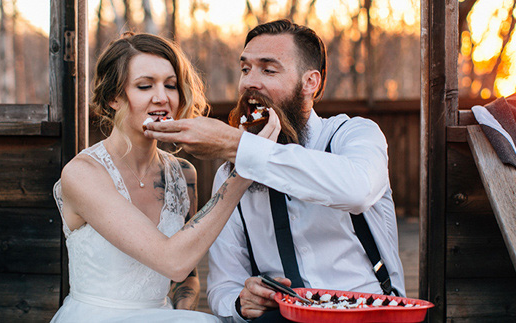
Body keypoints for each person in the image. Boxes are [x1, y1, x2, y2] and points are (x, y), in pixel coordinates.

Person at [145, 19, 405, 322]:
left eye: (268, 70)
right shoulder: (231, 172)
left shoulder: (355, 134)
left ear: (311, 83)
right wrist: (241, 302)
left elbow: (356, 190)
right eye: (245, 69)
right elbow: (223, 287)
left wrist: (240, 146)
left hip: (372, 315)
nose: (249, 82)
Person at [51, 33, 281, 322]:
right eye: (145, 86)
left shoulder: (182, 174)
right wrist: (244, 172)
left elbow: (186, 277)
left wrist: (180, 316)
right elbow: (173, 261)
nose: (162, 97)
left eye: (170, 85)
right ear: (114, 97)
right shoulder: (83, 174)